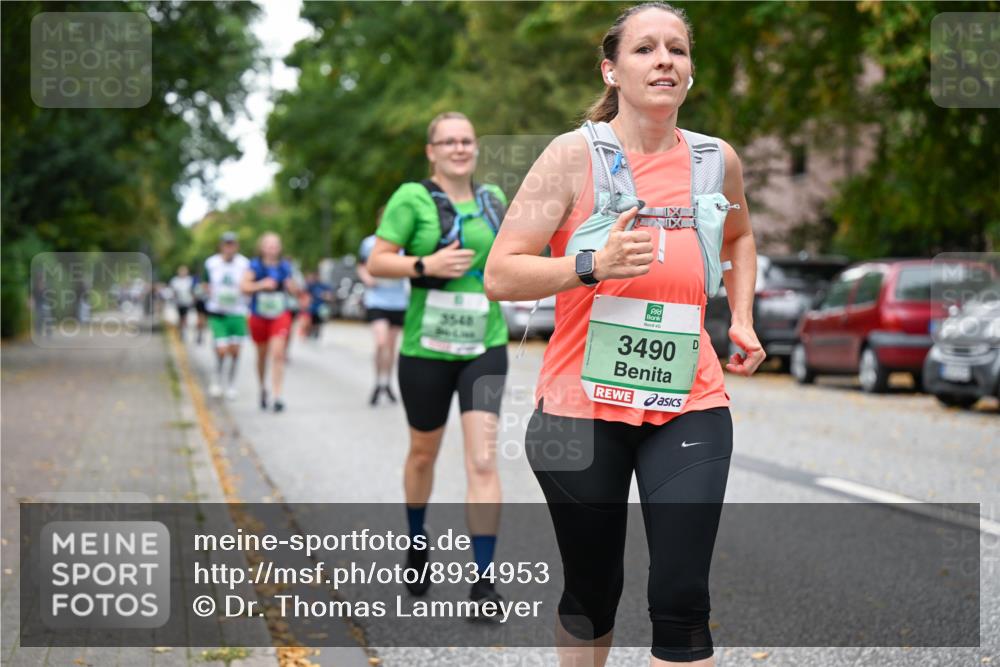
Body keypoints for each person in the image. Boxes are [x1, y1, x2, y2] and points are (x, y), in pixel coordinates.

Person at [484, 4, 765, 665]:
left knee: (681, 595)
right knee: (592, 590)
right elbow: (500, 272)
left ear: (691, 71)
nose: (665, 58)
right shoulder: (571, 156)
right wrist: (590, 265)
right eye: (645, 48)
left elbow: (742, 234)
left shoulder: (714, 160)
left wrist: (743, 316)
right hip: (580, 411)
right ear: (612, 69)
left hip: (689, 401)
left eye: (678, 49)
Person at [366, 112, 509, 608]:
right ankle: (416, 539)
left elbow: (513, 258)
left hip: (483, 346)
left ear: (475, 147)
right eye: (447, 141)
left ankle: (485, 576)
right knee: (423, 453)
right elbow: (377, 260)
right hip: (425, 349)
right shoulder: (412, 198)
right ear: (431, 151)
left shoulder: (494, 200)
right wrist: (425, 264)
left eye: (466, 140)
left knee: (483, 458)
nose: (458, 148)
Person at [242, 232, 298, 413]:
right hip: (259, 316)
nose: (272, 248)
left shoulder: (285, 267)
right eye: (269, 245)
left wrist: (292, 288)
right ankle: (262, 389)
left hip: (279, 314)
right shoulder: (255, 265)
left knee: (278, 354)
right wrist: (262, 285)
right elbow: (244, 287)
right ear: (262, 247)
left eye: (275, 245)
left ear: (280, 248)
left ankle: (277, 395)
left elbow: (296, 290)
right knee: (262, 356)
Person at [357, 212, 409, 406]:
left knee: (391, 346)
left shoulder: (404, 245)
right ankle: (378, 380)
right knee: (380, 342)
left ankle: (386, 383)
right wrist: (367, 278)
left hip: (398, 301)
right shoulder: (369, 243)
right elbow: (361, 266)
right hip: (377, 300)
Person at [203, 232, 251, 400]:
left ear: (236, 246)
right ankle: (217, 379)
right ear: (221, 246)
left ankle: (231, 384)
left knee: (235, 352)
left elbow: (249, 283)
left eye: (232, 244)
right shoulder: (211, 263)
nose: (229, 248)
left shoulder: (245, 264)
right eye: (226, 244)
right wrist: (206, 290)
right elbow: (204, 282)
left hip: (237, 312)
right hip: (218, 312)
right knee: (222, 350)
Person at [301, 271, 334, 340]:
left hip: (321, 308)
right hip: (312, 308)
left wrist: (325, 296)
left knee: (318, 323)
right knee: (310, 322)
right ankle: (308, 334)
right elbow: (305, 294)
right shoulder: (311, 285)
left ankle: (316, 334)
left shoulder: (325, 286)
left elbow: (330, 296)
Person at [169, 265, 195, 340]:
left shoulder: (189, 280)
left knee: (185, 316)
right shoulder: (175, 280)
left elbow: (192, 290)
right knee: (180, 317)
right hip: (178, 302)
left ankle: (184, 331)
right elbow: (173, 291)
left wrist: (193, 299)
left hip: (187, 302)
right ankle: (181, 329)